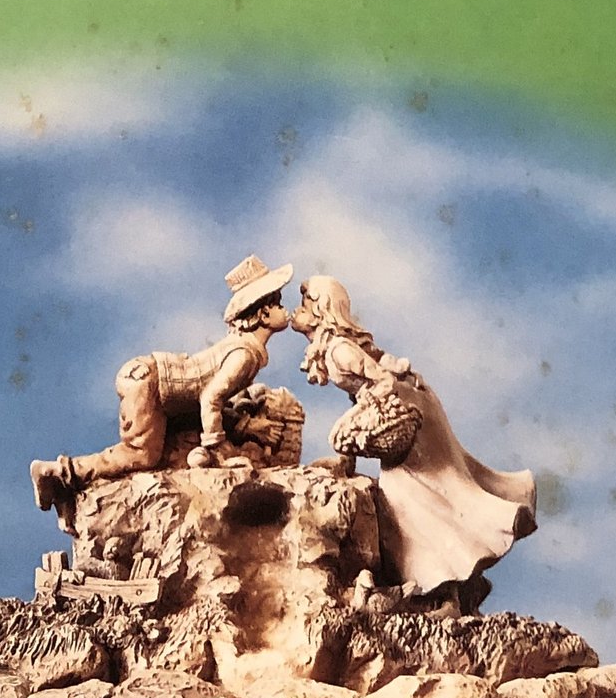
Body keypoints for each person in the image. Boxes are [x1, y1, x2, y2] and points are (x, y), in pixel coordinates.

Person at [291, 274, 536, 601]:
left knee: (420, 502)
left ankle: (445, 591)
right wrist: (348, 453)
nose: (297, 310)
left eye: (304, 303)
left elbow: (381, 381)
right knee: (420, 503)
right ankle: (449, 589)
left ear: (321, 310)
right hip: (401, 412)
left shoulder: (339, 351)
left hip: (407, 418)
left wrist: (350, 424)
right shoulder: (332, 347)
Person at [30, 255, 294, 510]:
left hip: (161, 388)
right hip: (150, 384)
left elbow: (207, 400)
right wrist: (221, 451)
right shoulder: (244, 355)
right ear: (264, 314)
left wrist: (247, 426)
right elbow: (210, 399)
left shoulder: (243, 349)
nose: (286, 310)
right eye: (279, 304)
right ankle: (56, 472)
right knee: (142, 454)